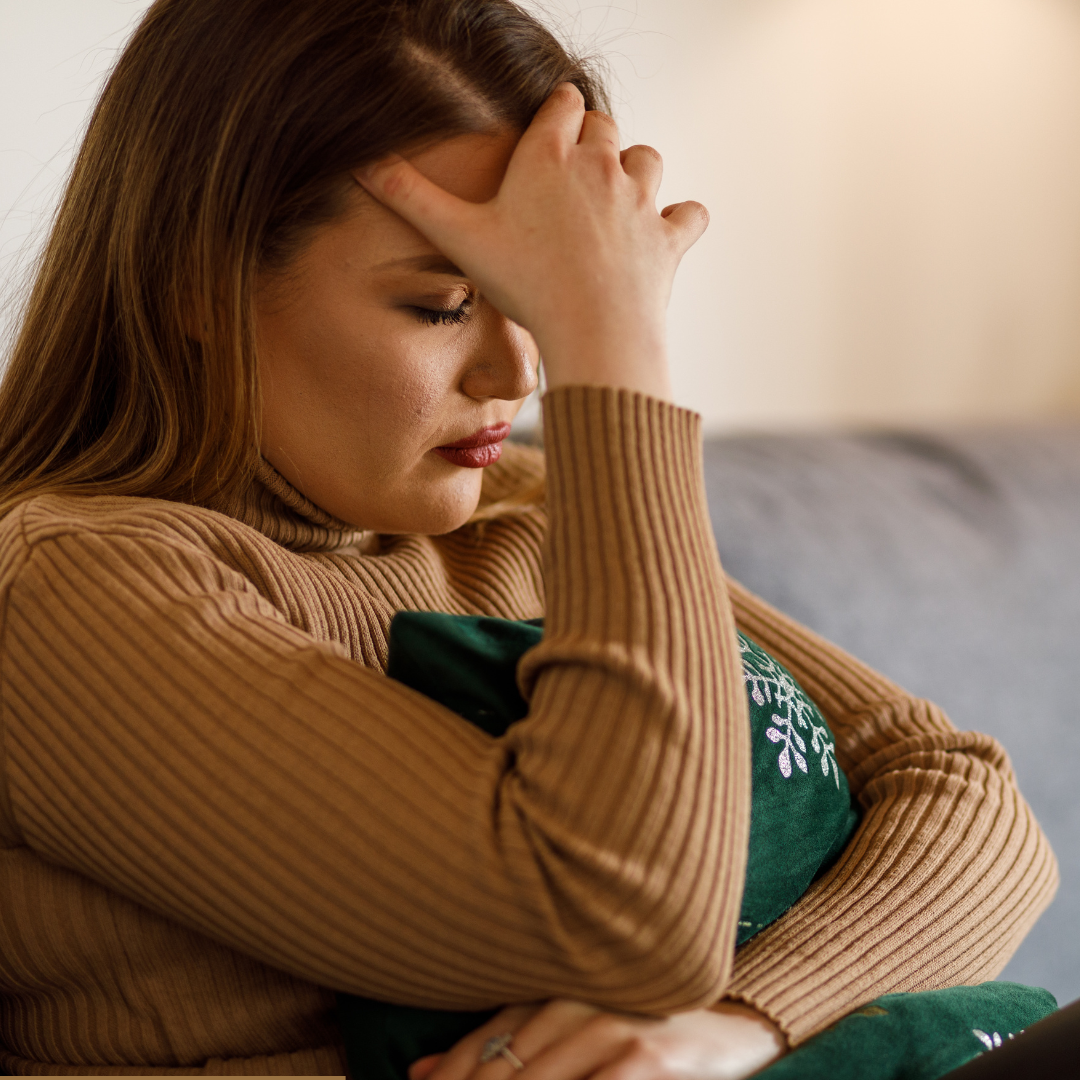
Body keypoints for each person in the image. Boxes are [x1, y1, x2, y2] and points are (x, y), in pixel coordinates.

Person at [0, 0, 1056, 1076]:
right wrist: (615, 349)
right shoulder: (69, 593)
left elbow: (964, 797)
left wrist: (737, 1025)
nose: (524, 372)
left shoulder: (527, 513)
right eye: (448, 303)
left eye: (540, 302)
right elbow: (624, 921)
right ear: (198, 282)